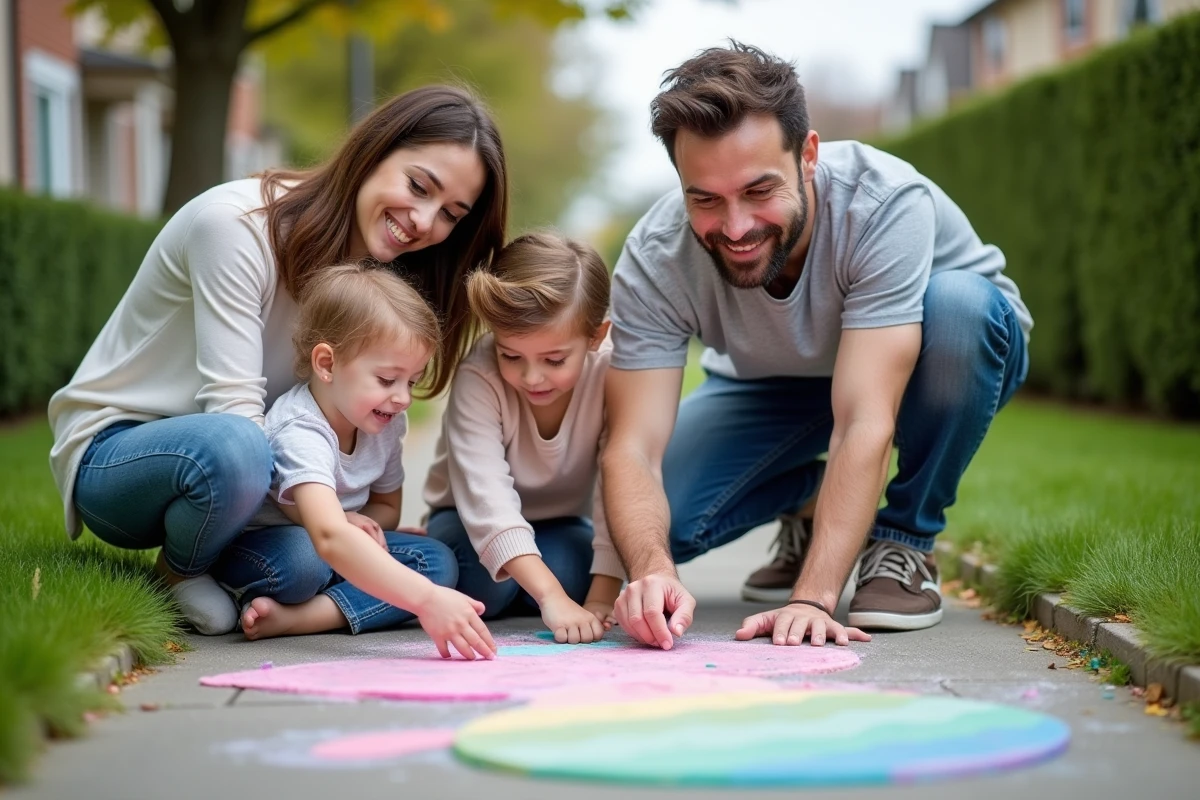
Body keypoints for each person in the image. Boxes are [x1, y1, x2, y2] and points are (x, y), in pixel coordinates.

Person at [602, 42, 1031, 650]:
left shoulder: (882, 202)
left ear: (808, 156)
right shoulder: (654, 255)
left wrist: (812, 598)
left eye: (758, 191)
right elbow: (632, 448)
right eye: (705, 199)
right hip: (774, 383)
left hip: (935, 360)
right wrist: (651, 572)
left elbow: (864, 418)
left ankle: (904, 542)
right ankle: (811, 503)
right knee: (656, 526)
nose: (736, 226)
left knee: (961, 306)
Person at [48, 85, 507, 635]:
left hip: (255, 494)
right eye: (417, 186)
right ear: (375, 150)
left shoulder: (374, 276)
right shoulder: (237, 225)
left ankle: (281, 599)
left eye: (451, 214)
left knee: (330, 563)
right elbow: (238, 420)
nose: (424, 222)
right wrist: (332, 523)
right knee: (238, 448)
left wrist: (351, 533)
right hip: (127, 456)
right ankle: (176, 571)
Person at [207, 263, 494, 659]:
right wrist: (426, 601)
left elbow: (387, 509)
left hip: (338, 549)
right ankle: (239, 589)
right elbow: (326, 534)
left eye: (411, 381)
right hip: (270, 551)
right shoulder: (301, 429)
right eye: (387, 379)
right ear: (327, 364)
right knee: (305, 563)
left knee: (437, 563)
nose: (403, 398)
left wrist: (362, 527)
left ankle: (299, 619)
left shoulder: (386, 423)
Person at [424, 233, 624, 644]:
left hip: (558, 523)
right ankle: (526, 587)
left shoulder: (612, 372)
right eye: (510, 355)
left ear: (595, 337)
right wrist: (551, 596)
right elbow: (487, 497)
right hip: (465, 519)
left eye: (554, 360)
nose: (532, 378)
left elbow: (618, 482)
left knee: (575, 571)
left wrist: (602, 597)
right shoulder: (479, 376)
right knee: (490, 584)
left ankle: (531, 583)